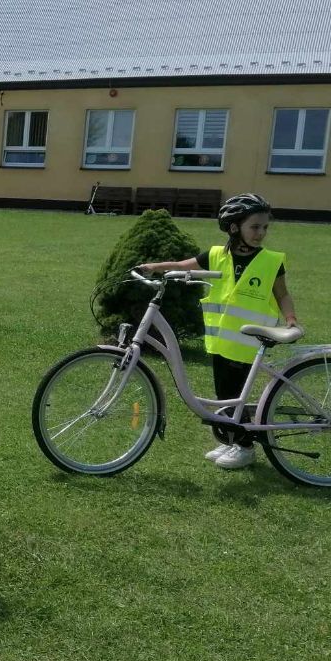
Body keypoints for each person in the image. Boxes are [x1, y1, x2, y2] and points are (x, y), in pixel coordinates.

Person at [139, 193, 299, 470]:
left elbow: (282, 294)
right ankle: (232, 440)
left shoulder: (272, 261)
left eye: (264, 227)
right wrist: (155, 267)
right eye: (255, 227)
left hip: (249, 342)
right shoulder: (216, 256)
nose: (261, 233)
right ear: (234, 227)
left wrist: (291, 319)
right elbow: (182, 266)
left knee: (234, 395)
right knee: (225, 395)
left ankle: (245, 447)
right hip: (222, 342)